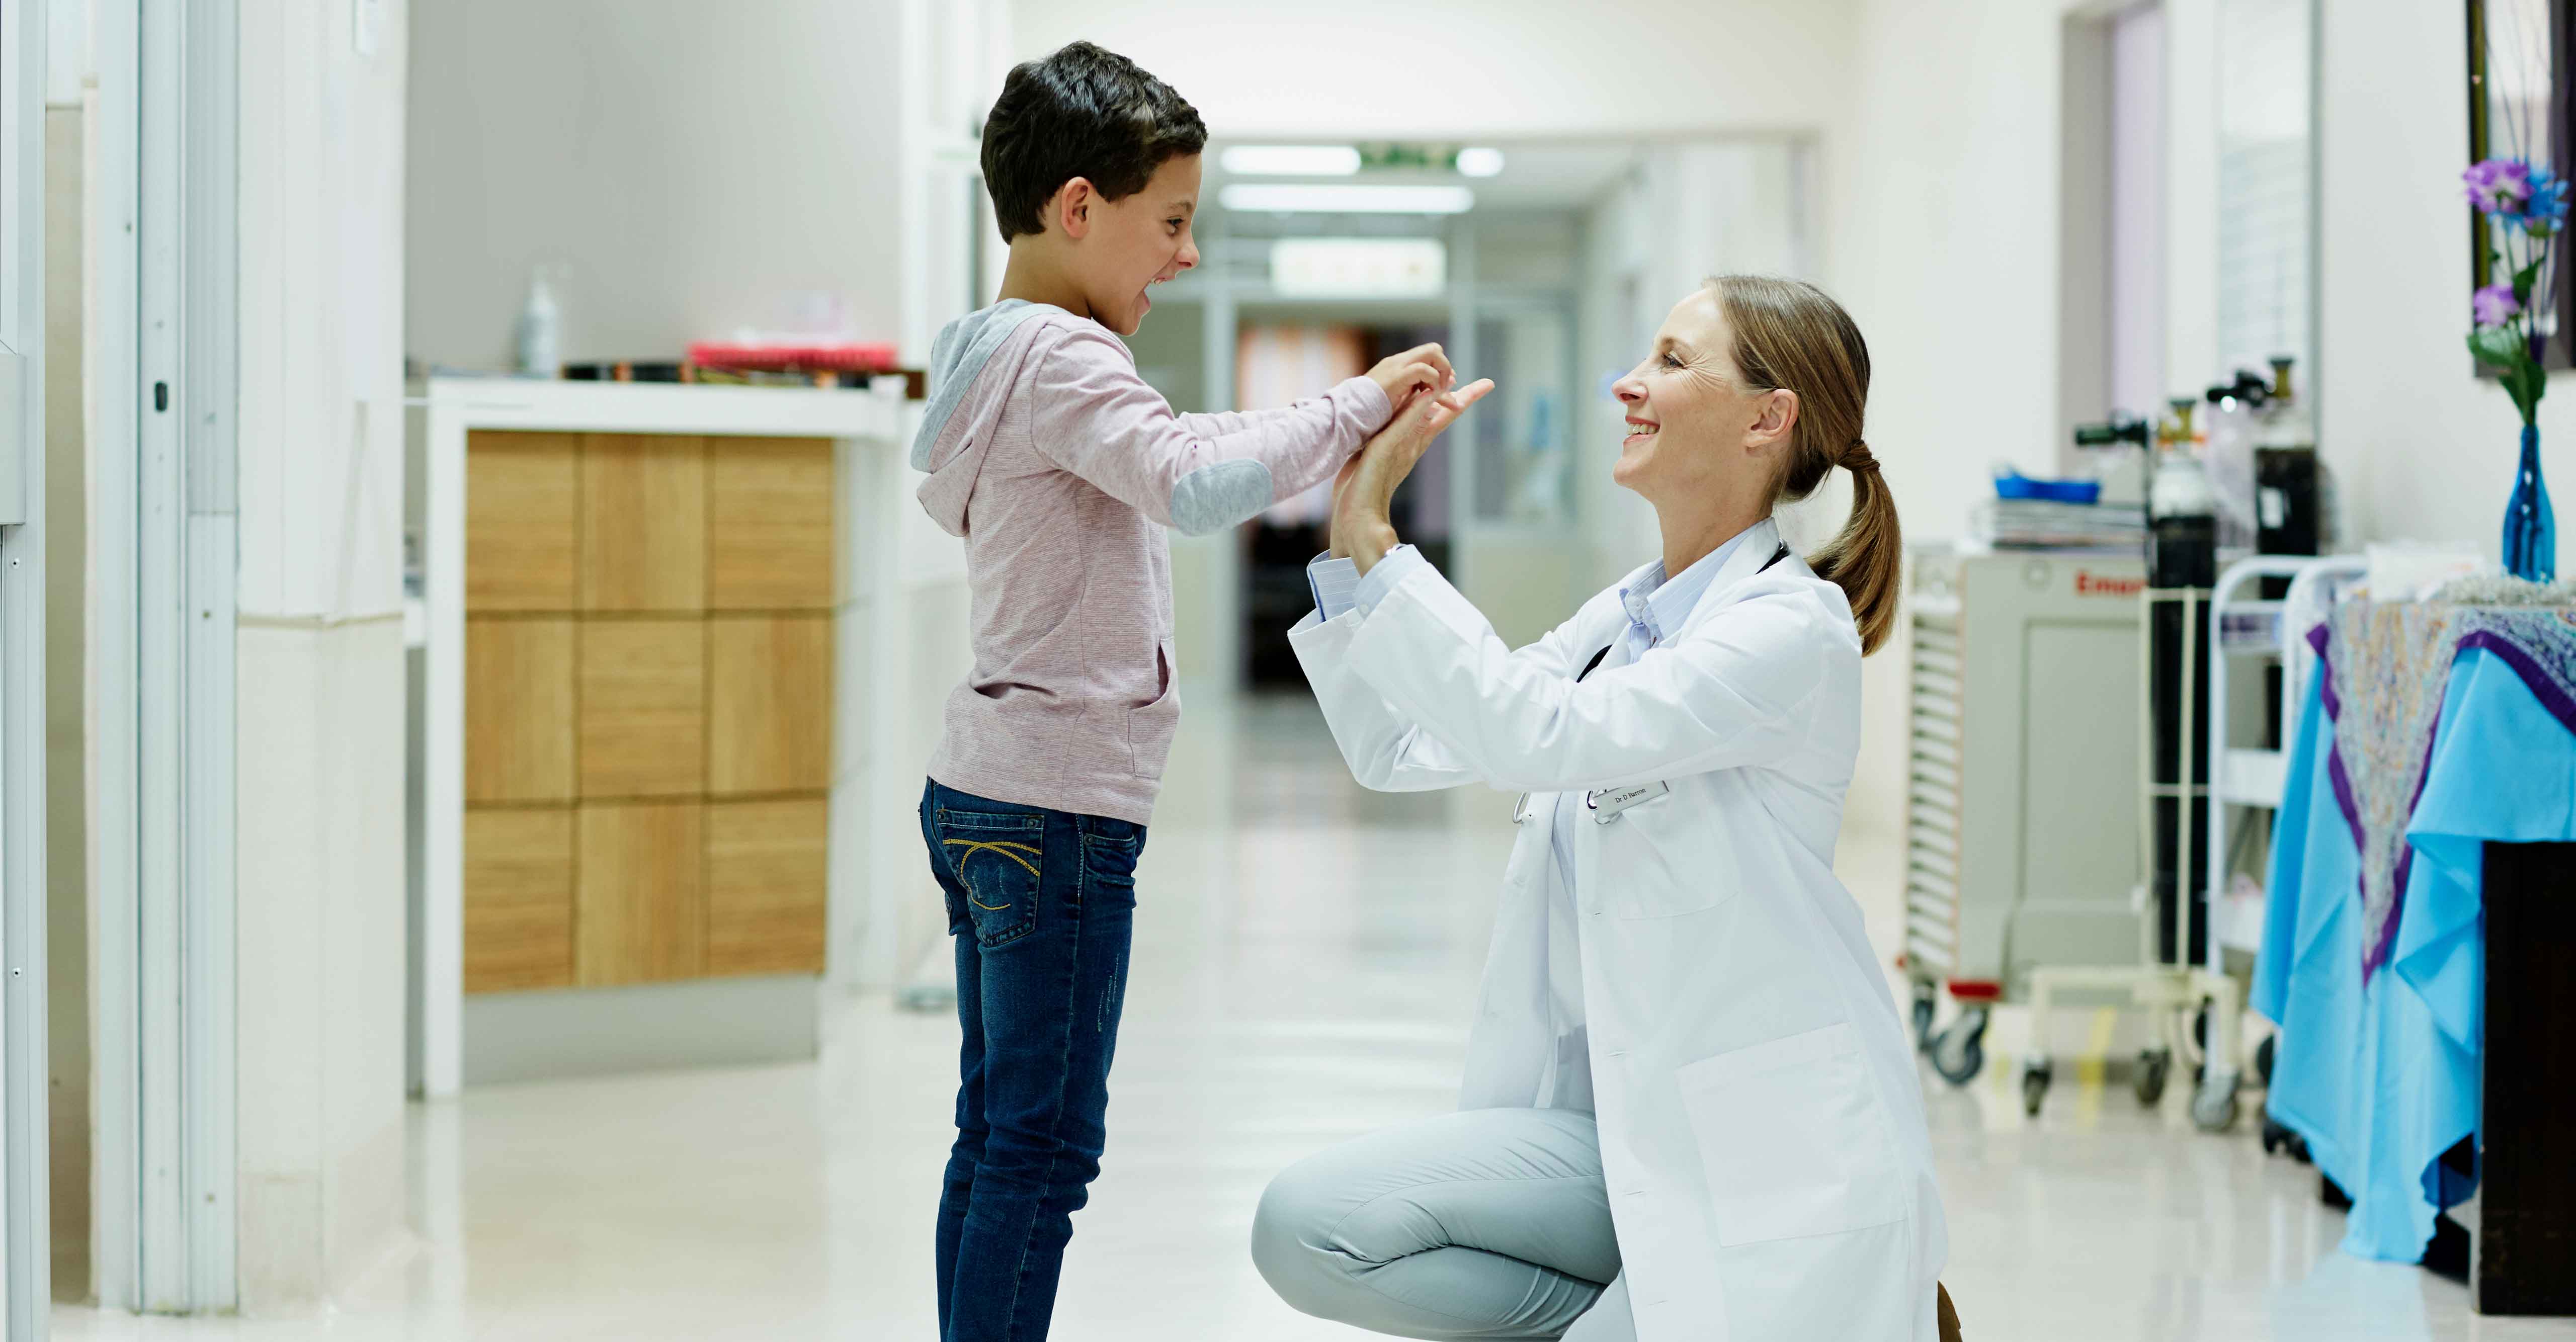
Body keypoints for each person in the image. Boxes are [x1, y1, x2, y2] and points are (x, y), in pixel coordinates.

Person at [1253, 276, 1959, 1341]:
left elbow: (1540, 732)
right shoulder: (1619, 621)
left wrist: (1381, 543)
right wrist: (1350, 544)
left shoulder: (1790, 629)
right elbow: (1402, 746)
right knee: (1308, 1225)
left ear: (1767, 419)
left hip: (1764, 1162)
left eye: (1672, 360)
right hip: (1618, 1132)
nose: (1627, 384)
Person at [908, 40, 1457, 1342]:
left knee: (996, 1134)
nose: (1187, 253)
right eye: (1169, 221)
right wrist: (1357, 405)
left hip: (986, 787)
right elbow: (1193, 481)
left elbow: (1177, 445)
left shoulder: (997, 352)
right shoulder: (1063, 356)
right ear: (1077, 207)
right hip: (1055, 809)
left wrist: (1336, 413)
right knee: (1041, 1148)